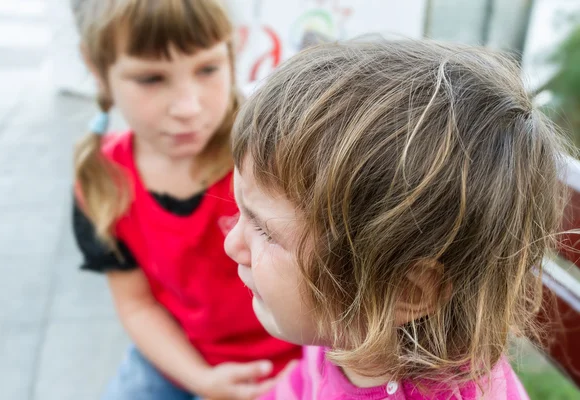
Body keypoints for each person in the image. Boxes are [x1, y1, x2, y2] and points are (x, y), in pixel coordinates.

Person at [225, 39, 567, 399]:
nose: (232, 245)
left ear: (404, 291)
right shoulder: (351, 325)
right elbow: (304, 384)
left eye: (264, 230)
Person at [71, 1, 300, 399]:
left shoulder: (276, 152)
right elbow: (137, 305)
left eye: (207, 69)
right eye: (151, 78)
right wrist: (201, 381)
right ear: (97, 68)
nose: (188, 107)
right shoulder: (100, 182)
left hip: (301, 355)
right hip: (179, 353)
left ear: (234, 50)